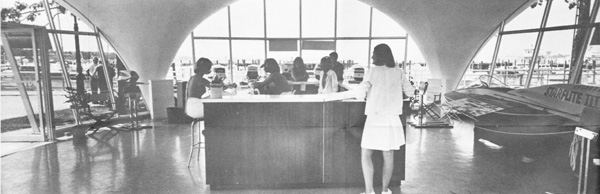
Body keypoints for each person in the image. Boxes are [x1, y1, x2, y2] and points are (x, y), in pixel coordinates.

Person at [357, 44, 414, 194]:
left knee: (366, 154)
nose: (372, 57)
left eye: (373, 54)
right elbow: (410, 92)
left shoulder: (371, 72)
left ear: (379, 55)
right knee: (388, 156)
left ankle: (369, 191)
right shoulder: (399, 72)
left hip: (375, 118)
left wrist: (364, 92)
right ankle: (384, 190)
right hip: (392, 120)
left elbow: (360, 93)